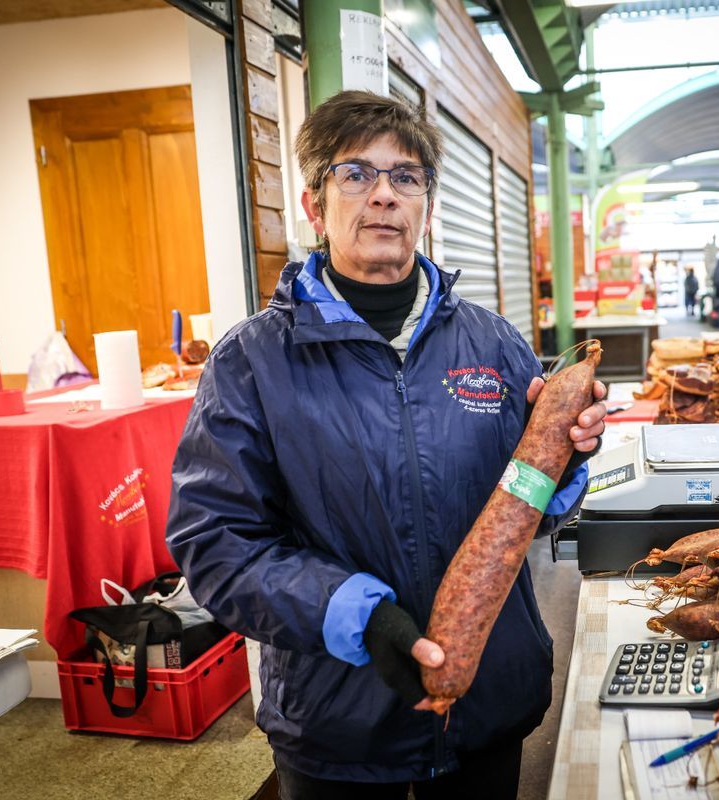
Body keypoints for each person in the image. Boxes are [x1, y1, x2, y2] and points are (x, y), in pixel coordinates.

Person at [165, 91, 606, 799]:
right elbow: (214, 544)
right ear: (314, 206)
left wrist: (569, 458)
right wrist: (356, 615)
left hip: (488, 700)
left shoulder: (493, 343)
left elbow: (533, 511)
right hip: (339, 723)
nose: (384, 195)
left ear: (425, 203)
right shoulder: (251, 362)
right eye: (355, 173)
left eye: (406, 176)